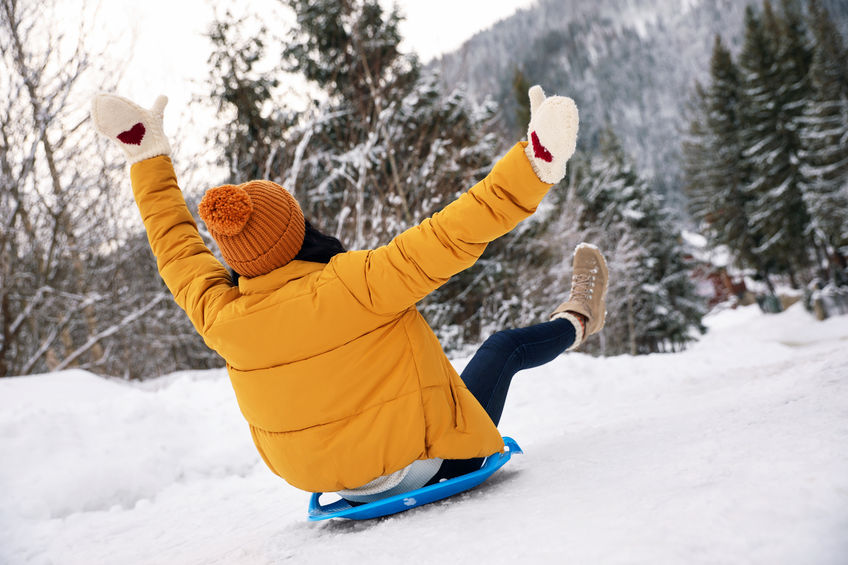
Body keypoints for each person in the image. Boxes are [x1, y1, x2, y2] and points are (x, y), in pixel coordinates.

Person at [90, 85, 608, 504]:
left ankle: (575, 316)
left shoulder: (220, 313)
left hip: (334, 484)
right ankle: (579, 316)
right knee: (503, 348)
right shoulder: (354, 283)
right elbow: (455, 230)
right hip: (424, 464)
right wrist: (534, 165)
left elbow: (175, 247)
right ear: (298, 229)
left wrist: (147, 157)